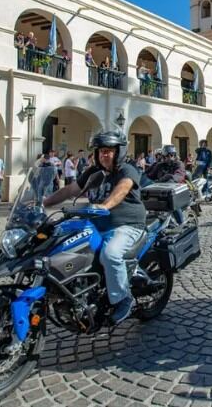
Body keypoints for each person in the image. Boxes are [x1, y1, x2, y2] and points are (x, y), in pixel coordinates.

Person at [43, 130, 145, 324]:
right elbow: (71, 189)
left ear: (118, 152)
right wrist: (45, 203)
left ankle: (124, 299)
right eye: (100, 151)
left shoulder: (127, 170)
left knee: (110, 254)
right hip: (96, 225)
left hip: (126, 225)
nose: (103, 155)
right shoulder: (93, 173)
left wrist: (105, 206)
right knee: (62, 243)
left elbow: (122, 188)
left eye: (108, 151)